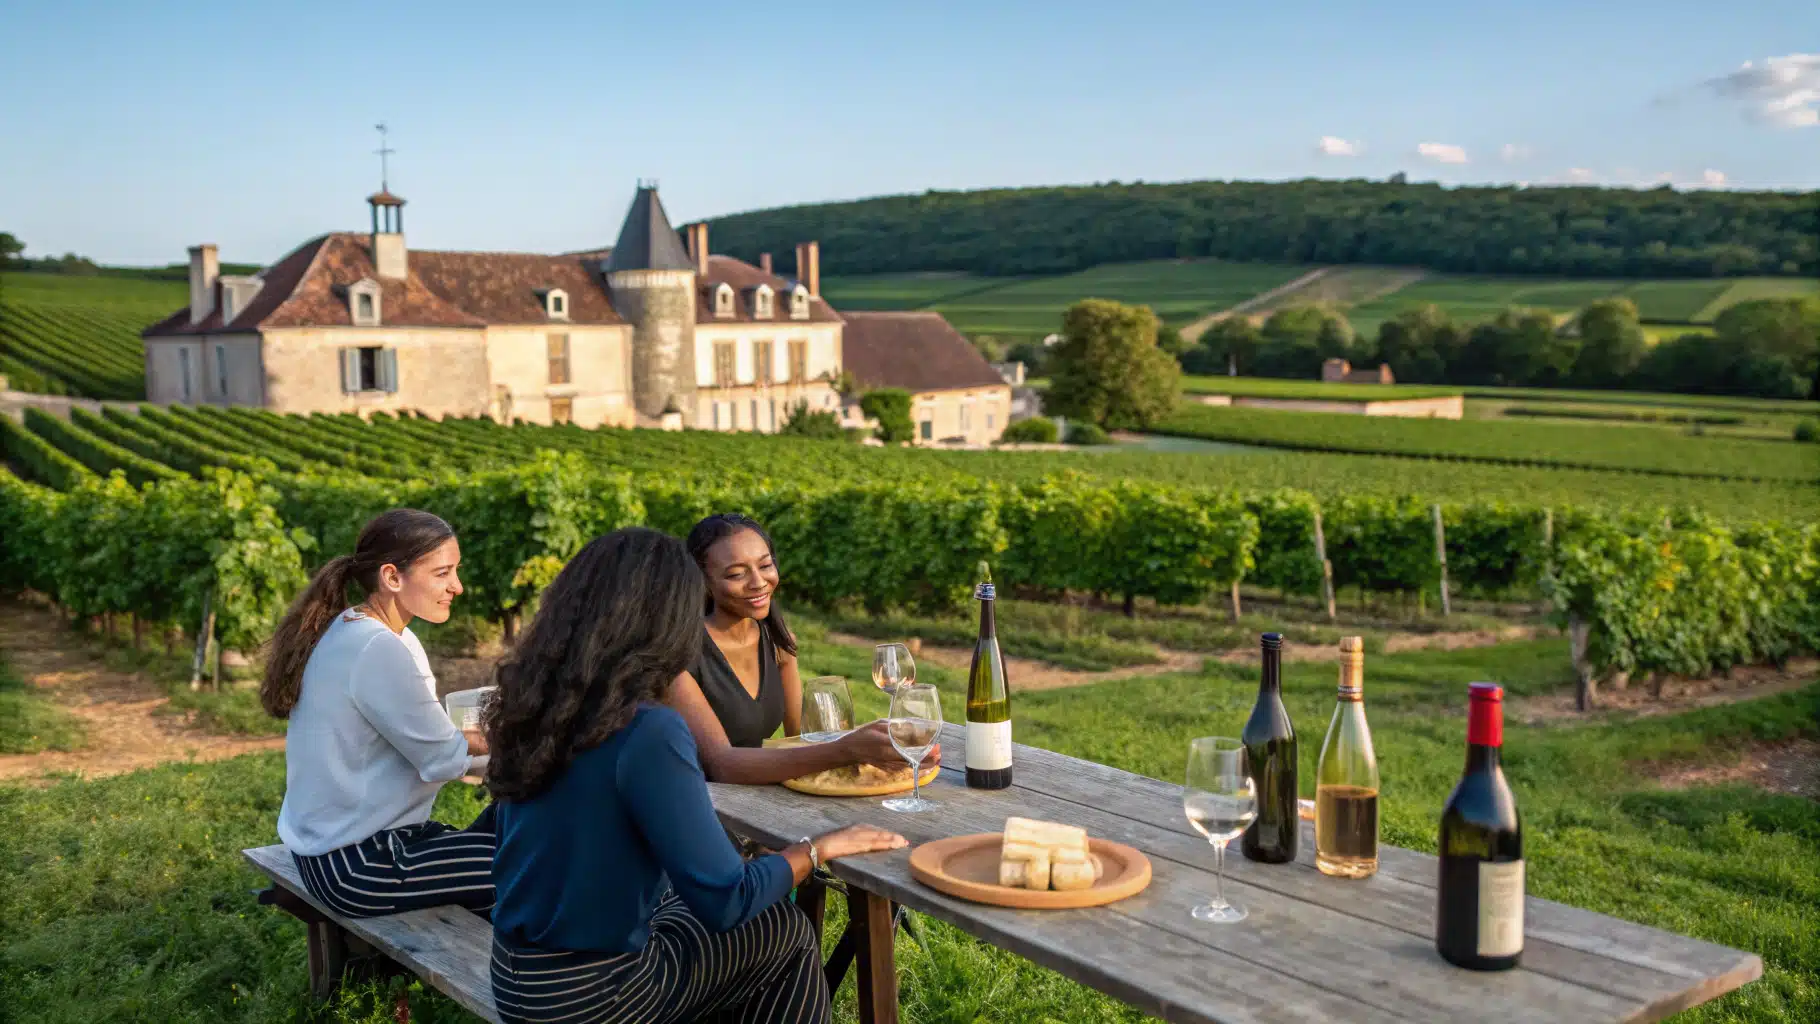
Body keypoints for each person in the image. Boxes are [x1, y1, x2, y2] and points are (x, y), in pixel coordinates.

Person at [485, 527, 905, 1024]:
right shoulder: (646, 729)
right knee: (783, 927)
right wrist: (816, 850)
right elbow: (727, 900)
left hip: (517, 980)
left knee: (696, 918)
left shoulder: (539, 707)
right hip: (595, 997)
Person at [265, 508, 494, 918]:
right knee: (535, 865)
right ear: (392, 577)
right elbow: (443, 756)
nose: (456, 586)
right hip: (358, 865)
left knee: (521, 830)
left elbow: (433, 741)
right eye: (442, 573)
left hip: (353, 846)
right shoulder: (377, 647)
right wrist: (534, 736)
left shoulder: (373, 633)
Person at [673, 512, 937, 783]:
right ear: (703, 582)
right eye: (737, 574)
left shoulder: (778, 642)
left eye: (765, 566)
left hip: (752, 799)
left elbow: (800, 742)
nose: (758, 582)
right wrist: (845, 749)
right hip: (689, 802)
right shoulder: (678, 654)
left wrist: (872, 748)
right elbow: (722, 764)